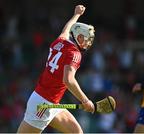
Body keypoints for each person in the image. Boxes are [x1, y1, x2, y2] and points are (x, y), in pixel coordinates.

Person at [17, 5, 95, 133]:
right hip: (43, 105)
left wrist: (76, 14)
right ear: (79, 37)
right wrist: (85, 100)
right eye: (87, 39)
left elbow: (67, 28)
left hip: (52, 103)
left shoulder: (59, 41)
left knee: (77, 132)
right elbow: (68, 80)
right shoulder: (75, 53)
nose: (88, 43)